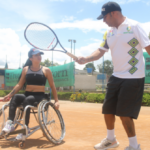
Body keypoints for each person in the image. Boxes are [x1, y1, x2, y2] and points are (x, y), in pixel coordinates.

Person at [76, 2, 150, 150]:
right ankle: (111, 140)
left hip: (133, 76)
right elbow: (100, 51)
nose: (103, 20)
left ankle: (134, 146)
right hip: (116, 76)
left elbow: (148, 47)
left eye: (104, 17)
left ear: (114, 13)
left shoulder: (134, 26)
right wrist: (86, 59)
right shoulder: (108, 32)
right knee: (107, 109)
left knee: (124, 114)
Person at [0, 48, 59, 140]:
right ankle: (10, 123)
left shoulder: (46, 70)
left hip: (39, 96)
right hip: (27, 94)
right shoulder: (25, 69)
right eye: (36, 55)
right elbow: (19, 85)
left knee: (28, 99)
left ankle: (25, 128)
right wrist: (9, 95)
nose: (39, 57)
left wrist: (56, 101)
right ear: (30, 58)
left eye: (40, 55)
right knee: (15, 97)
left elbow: (52, 86)